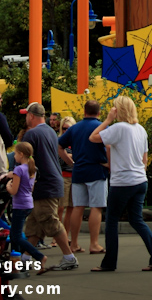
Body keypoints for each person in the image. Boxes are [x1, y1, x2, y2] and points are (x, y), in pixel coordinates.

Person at [90, 96, 152, 272]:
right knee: (136, 220)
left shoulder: (118, 128)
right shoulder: (140, 130)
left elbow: (93, 138)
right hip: (140, 180)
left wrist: (107, 120)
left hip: (122, 181)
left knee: (112, 220)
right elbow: (145, 159)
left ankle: (109, 263)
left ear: (118, 110)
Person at [20, 102, 78, 271]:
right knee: (35, 223)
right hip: (54, 180)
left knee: (49, 220)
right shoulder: (51, 132)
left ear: (31, 116)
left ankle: (69, 257)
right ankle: (25, 258)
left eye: (26, 115)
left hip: (43, 183)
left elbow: (26, 161)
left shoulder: (31, 135)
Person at [58, 101, 109, 256]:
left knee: (78, 207)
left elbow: (59, 146)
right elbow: (110, 146)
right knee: (96, 207)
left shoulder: (74, 128)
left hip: (78, 170)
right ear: (99, 113)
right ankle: (94, 243)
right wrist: (110, 164)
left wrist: (69, 161)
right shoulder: (102, 127)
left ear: (84, 111)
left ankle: (73, 243)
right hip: (96, 169)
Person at [6, 141, 46, 274]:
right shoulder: (31, 167)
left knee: (16, 236)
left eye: (16, 153)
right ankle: (16, 262)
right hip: (28, 202)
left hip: (19, 204)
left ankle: (39, 256)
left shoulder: (18, 169)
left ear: (21, 154)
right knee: (15, 234)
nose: (14, 156)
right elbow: (31, 187)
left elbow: (14, 190)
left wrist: (8, 185)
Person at [56, 116, 75, 242]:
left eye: (69, 129)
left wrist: (68, 155)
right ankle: (56, 237)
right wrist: (70, 156)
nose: (66, 131)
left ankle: (65, 235)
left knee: (71, 209)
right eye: (64, 129)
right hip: (62, 176)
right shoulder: (59, 141)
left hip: (74, 176)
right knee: (60, 208)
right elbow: (59, 160)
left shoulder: (76, 141)